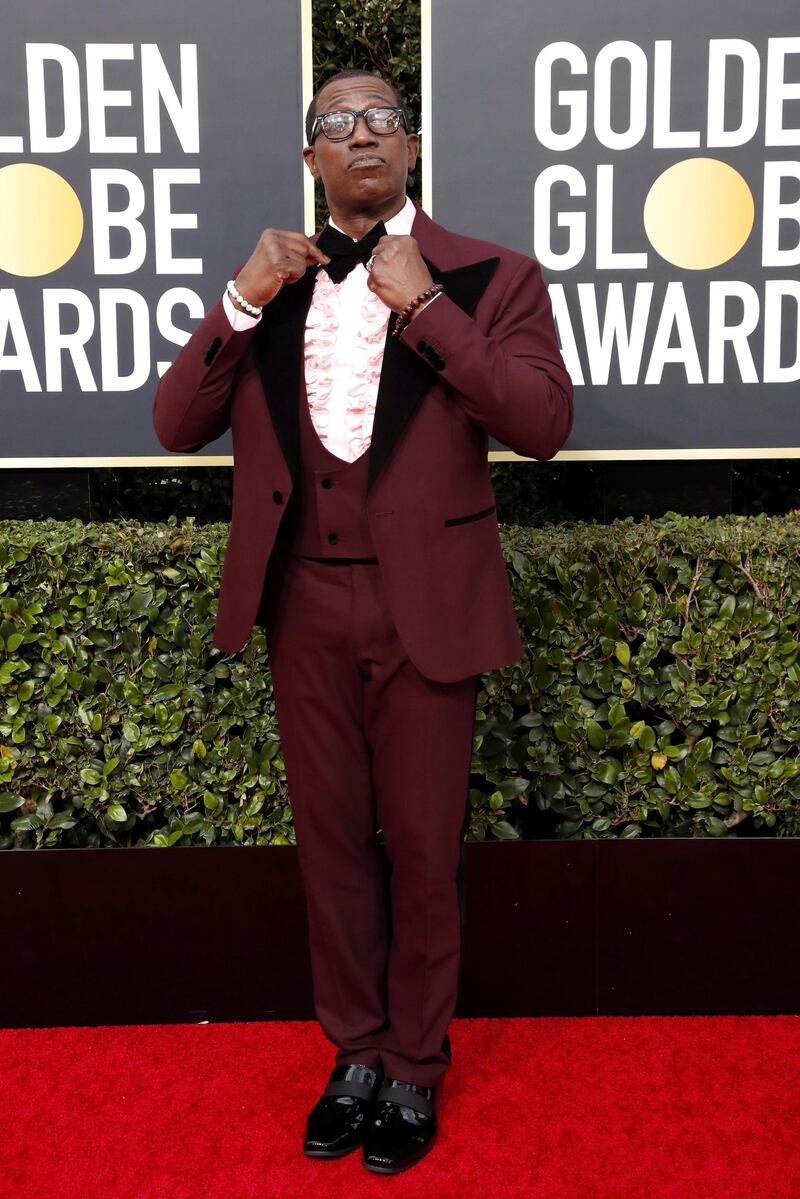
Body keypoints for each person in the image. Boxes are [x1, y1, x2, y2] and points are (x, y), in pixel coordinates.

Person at [153, 66, 572, 1175]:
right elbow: (171, 424)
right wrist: (238, 301)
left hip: (425, 602)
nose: (363, 136)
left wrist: (426, 307)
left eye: (383, 118)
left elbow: (541, 422)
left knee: (424, 849)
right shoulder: (271, 287)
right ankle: (354, 1054)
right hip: (301, 602)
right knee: (332, 844)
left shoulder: (492, 276)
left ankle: (414, 1067)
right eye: (337, 124)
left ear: (413, 146)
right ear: (311, 161)